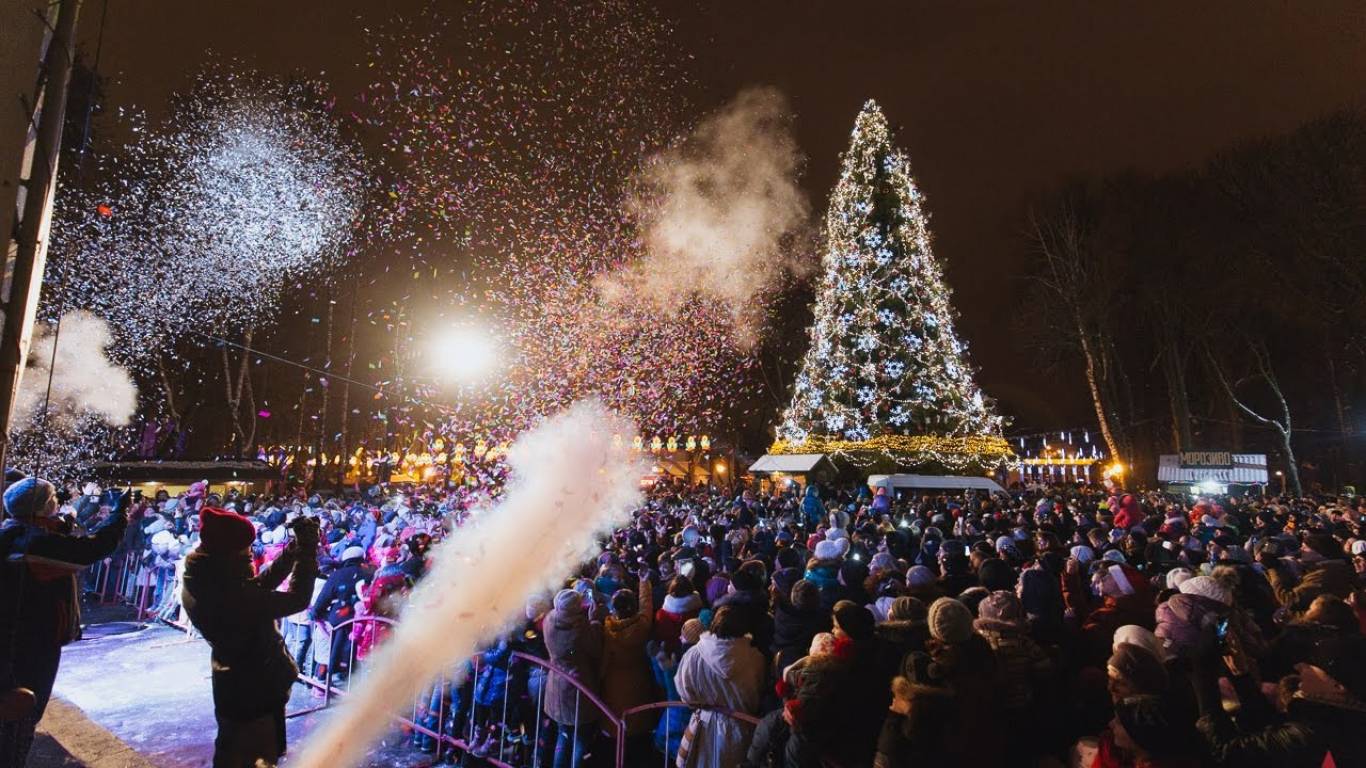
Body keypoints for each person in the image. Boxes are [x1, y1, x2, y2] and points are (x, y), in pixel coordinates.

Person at [0, 477, 128, 767]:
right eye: (53, 503)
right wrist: (120, 516)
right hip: (31, 644)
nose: (58, 507)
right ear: (41, 508)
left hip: (27, 639)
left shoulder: (16, 532)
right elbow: (90, 549)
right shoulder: (33, 542)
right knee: (19, 721)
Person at [181, 507, 319, 768]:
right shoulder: (227, 594)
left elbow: (256, 587)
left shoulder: (207, 577)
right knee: (253, 758)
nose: (249, 553)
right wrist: (308, 551)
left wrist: (292, 553)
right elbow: (296, 599)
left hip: (238, 682)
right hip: (253, 686)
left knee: (235, 752)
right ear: (229, 552)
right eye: (245, 549)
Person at [674, 605, 764, 768]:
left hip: (703, 727)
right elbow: (756, 695)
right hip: (741, 729)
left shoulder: (693, 655)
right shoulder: (755, 658)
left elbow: (685, 693)